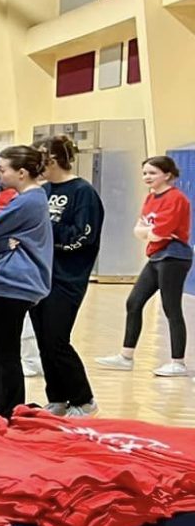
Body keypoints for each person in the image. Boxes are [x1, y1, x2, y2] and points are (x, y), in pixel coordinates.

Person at [0, 146, 53, 416]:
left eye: (2, 170)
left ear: (22, 173)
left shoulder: (29, 201)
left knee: (4, 352)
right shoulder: (26, 199)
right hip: (9, 282)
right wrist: (2, 243)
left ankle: (8, 410)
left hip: (15, 285)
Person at [97, 154, 192, 377]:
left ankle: (178, 362)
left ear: (167, 175)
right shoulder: (151, 197)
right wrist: (149, 232)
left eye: (152, 173)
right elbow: (140, 229)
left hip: (173, 257)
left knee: (171, 307)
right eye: (144, 173)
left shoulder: (176, 198)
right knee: (134, 302)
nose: (147, 177)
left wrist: (149, 232)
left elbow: (160, 233)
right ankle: (126, 356)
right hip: (156, 256)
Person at [32, 135, 103, 414]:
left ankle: (84, 399)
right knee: (43, 340)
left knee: (57, 339)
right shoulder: (42, 190)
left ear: (52, 160)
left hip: (67, 278)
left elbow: (84, 236)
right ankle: (58, 397)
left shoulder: (83, 192)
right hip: (41, 276)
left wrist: (48, 234)